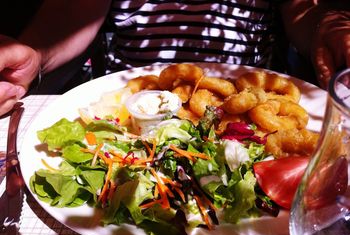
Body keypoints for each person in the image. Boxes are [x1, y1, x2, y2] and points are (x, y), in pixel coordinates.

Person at [0, 0, 349, 116]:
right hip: (132, 109)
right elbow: (74, 10)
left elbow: (301, 11)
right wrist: (34, 56)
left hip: (247, 107)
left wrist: (327, 26)